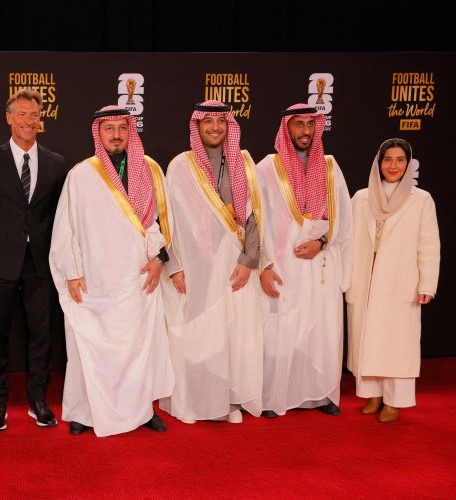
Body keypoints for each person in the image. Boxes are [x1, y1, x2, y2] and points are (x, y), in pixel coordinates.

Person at [49, 105, 175, 437]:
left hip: (138, 278)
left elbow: (164, 222)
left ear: (131, 131)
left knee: (138, 347)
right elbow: (65, 228)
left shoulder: (150, 170)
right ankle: (83, 411)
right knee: (88, 347)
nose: (116, 135)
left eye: (122, 128)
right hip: (94, 280)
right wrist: (72, 272)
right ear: (98, 133)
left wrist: (159, 260)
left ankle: (142, 409)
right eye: (109, 129)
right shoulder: (81, 174)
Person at [159, 100, 264, 424]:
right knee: (198, 333)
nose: (215, 127)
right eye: (208, 122)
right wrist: (175, 265)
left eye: (221, 121)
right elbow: (170, 221)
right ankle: (194, 401)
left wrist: (248, 260)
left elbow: (255, 217)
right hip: (195, 266)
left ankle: (227, 402)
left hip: (233, 264)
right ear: (197, 126)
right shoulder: (180, 166)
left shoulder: (244, 162)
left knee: (231, 334)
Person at [0, 89, 68, 431]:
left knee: (41, 334)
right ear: (9, 118)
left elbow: (60, 218)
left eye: (34, 115)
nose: (29, 121)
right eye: (22, 114)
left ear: (40, 120)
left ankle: (38, 399)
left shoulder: (56, 163)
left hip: (40, 263)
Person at [256, 104, 352, 418]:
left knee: (320, 328)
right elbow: (255, 221)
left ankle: (319, 394)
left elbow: (344, 218)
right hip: (283, 265)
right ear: (287, 128)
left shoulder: (330, 167)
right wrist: (264, 265)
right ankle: (274, 397)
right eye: (298, 124)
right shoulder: (267, 168)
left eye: (310, 124)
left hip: (320, 263)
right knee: (281, 330)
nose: (305, 131)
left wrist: (321, 242)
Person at [346, 138, 440, 423]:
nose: (393, 166)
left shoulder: (420, 199)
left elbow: (429, 245)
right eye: (387, 159)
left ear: (408, 164)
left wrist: (427, 284)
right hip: (365, 278)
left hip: (400, 280)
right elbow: (347, 241)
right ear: (379, 163)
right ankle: (372, 394)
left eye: (400, 160)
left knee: (396, 342)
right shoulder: (361, 198)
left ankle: (395, 401)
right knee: (367, 338)